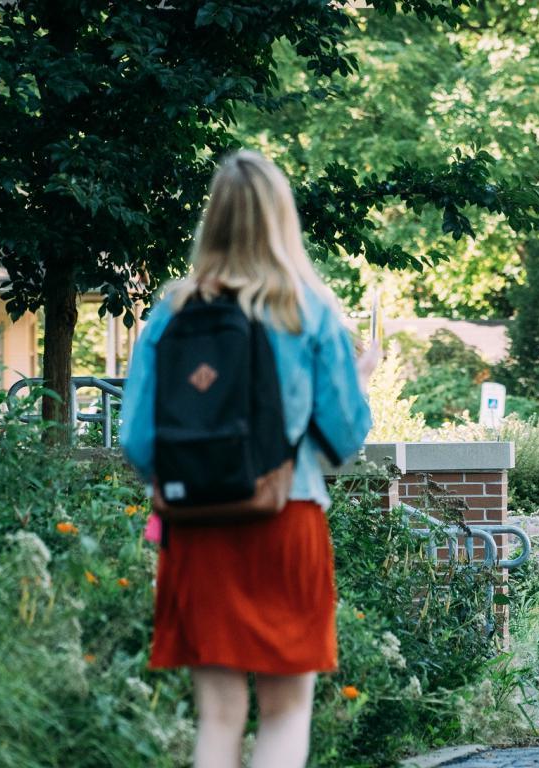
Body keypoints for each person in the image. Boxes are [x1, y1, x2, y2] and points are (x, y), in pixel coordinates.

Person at [120, 151, 377, 768]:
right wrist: (360, 382)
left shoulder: (173, 309)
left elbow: (136, 440)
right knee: (286, 716)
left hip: (198, 530)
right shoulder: (307, 308)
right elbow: (345, 437)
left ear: (214, 220)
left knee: (217, 719)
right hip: (285, 521)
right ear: (281, 219)